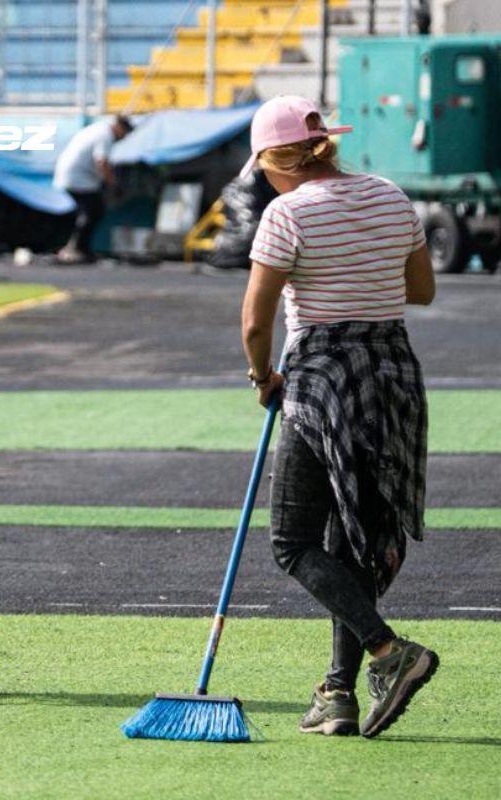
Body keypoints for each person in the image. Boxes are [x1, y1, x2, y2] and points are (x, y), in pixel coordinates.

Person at [240, 96, 438, 738]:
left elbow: (254, 322)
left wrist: (262, 375)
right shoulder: (389, 194)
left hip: (323, 376)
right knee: (353, 542)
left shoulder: (286, 212)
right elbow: (421, 290)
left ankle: (389, 652)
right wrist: (364, 270)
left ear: (275, 161)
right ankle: (338, 695)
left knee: (292, 542)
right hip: (393, 373)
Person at [52, 114, 133, 264]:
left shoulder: (98, 129)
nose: (124, 137)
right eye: (125, 133)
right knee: (93, 211)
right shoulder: (105, 135)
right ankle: (77, 248)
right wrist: (113, 184)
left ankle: (79, 247)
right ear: (119, 127)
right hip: (78, 178)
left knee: (91, 211)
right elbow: (102, 161)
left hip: (75, 176)